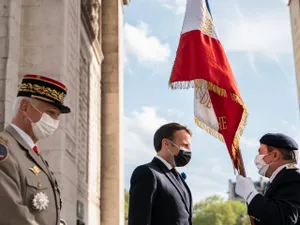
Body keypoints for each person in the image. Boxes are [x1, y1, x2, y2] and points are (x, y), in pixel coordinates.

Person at [0, 74, 70, 225]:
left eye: (57, 116)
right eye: (50, 112)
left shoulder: (34, 156)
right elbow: (12, 215)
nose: (55, 121)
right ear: (25, 107)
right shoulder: (4, 150)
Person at [128, 122, 193, 225]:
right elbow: (139, 221)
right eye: (184, 145)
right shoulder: (147, 173)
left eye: (189, 146)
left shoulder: (179, 178)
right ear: (166, 143)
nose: (189, 150)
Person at [235, 133, 300, 225]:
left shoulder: (293, 178)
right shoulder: (281, 179)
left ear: (275, 156)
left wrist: (250, 194)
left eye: (260, 152)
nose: (257, 157)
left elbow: (284, 219)